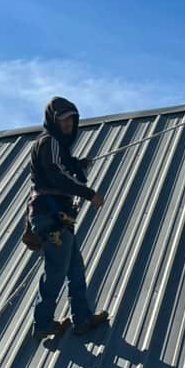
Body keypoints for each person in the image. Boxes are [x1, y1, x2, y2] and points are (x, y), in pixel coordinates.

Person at [26, 96, 109, 341]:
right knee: (56, 270)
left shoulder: (58, 149)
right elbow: (57, 177)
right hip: (52, 217)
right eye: (63, 120)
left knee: (74, 268)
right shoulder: (49, 142)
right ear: (53, 120)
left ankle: (81, 318)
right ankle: (42, 323)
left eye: (71, 120)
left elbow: (66, 173)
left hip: (57, 218)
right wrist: (89, 194)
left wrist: (79, 167)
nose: (68, 125)